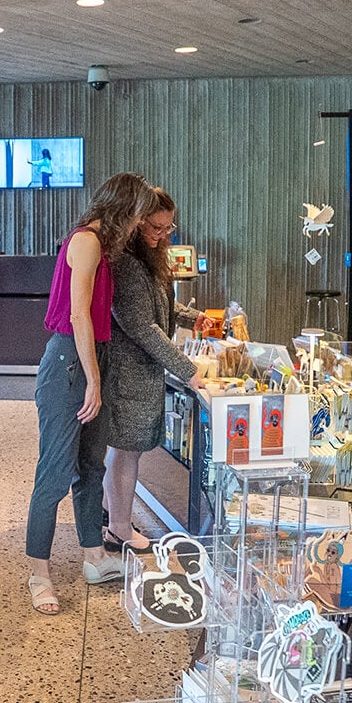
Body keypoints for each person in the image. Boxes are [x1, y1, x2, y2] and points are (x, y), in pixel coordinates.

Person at [22, 171, 158, 614]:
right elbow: (79, 315)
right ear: (124, 209)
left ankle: (95, 557)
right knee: (55, 472)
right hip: (69, 363)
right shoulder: (86, 241)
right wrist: (94, 382)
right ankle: (38, 573)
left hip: (92, 356)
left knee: (90, 466)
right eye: (137, 215)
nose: (138, 225)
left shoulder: (104, 247)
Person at [102, 188, 206, 551]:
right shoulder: (128, 264)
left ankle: (110, 513)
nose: (162, 235)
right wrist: (187, 369)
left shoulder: (148, 259)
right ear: (136, 223)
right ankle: (119, 529)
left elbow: (159, 306)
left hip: (139, 371)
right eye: (155, 227)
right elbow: (142, 325)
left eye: (168, 228)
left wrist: (193, 318)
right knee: (126, 450)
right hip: (127, 371)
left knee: (123, 450)